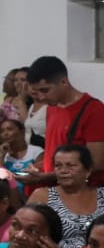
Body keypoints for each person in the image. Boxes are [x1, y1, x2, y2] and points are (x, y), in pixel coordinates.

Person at [27, 55, 104, 185]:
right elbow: (54, 151)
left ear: (63, 82)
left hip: (82, 190)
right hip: (55, 185)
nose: (41, 97)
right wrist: (38, 167)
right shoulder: (52, 107)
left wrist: (48, 176)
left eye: (45, 90)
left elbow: (96, 162)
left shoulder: (94, 110)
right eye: (36, 92)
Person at [29, 144, 104, 248]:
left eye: (71, 165)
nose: (63, 171)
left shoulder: (102, 195)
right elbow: (27, 232)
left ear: (88, 170)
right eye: (58, 166)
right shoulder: (43, 196)